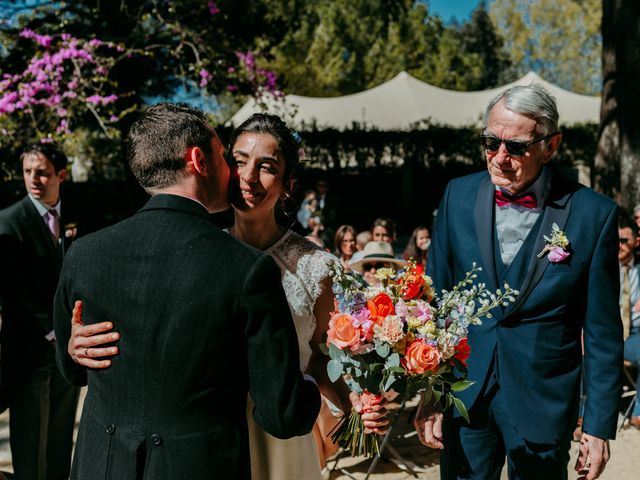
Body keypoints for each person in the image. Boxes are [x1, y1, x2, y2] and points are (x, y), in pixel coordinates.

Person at [64, 112, 387, 479]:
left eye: (266, 166)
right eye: (237, 161)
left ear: (287, 183)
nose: (249, 177)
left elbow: (323, 358)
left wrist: (354, 398)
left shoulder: (316, 267)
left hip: (280, 432)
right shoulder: (196, 250)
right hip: (205, 437)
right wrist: (76, 347)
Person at [414, 83, 623, 480]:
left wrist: (596, 426)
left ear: (551, 145)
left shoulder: (594, 215)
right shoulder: (456, 196)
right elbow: (434, 305)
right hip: (464, 394)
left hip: (543, 401)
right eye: (491, 143)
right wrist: (431, 394)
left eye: (517, 147)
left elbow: (602, 333)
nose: (500, 158)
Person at [0, 143, 80, 480]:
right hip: (30, 351)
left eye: (42, 172)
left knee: (61, 442)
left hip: (69, 350)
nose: (34, 178)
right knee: (31, 444)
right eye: (28, 171)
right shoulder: (8, 221)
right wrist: (51, 331)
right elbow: (10, 293)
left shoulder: (76, 214)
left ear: (61, 175)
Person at [618, 216, 640, 428]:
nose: (619, 245)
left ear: (636, 242)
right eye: (616, 240)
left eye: (624, 241)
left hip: (634, 336)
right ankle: (582, 416)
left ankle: (639, 412)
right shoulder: (602, 267)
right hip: (605, 335)